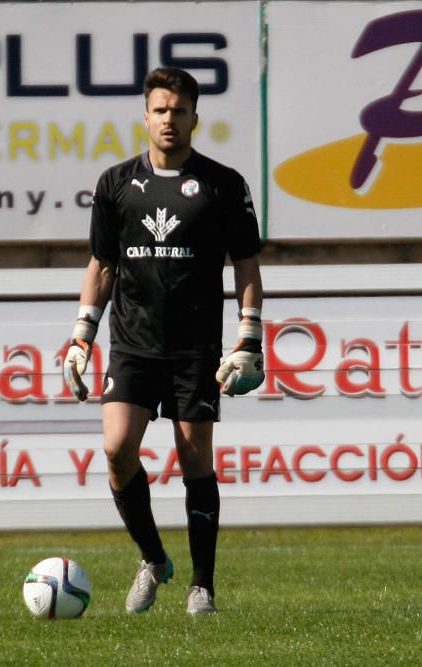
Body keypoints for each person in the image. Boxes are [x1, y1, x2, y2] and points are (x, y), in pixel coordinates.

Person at [63, 67, 265, 616]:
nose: (169, 120)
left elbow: (245, 264)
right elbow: (102, 265)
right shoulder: (115, 185)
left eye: (179, 111)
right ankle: (153, 559)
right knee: (115, 447)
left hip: (195, 347)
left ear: (195, 117)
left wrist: (250, 337)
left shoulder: (224, 185)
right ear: (145, 117)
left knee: (194, 456)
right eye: (160, 110)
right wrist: (82, 334)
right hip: (132, 343)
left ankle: (203, 586)